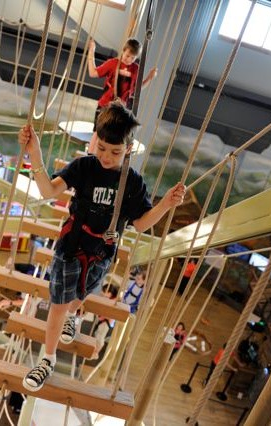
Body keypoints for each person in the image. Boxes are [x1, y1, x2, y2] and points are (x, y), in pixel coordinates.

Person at [18, 101, 186, 391]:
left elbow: (142, 223)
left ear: (129, 149)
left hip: (102, 252)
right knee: (58, 303)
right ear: (95, 141)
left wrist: (166, 204)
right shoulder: (85, 166)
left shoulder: (132, 182)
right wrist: (35, 153)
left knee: (80, 293)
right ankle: (47, 358)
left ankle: (74, 314)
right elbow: (48, 191)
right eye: (102, 149)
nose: (106, 158)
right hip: (70, 245)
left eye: (116, 152)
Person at [86, 38, 158, 153]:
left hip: (120, 108)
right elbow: (93, 72)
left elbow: (136, 90)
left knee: (112, 136)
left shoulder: (136, 69)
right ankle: (90, 156)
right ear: (123, 51)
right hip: (105, 105)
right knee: (97, 132)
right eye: (127, 55)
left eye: (132, 58)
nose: (129, 59)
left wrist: (149, 78)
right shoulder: (113, 63)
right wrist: (91, 52)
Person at [93, 283, 119, 359]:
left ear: (111, 293)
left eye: (106, 292)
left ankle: (96, 352)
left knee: (100, 337)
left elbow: (109, 313)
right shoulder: (107, 299)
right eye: (103, 292)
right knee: (97, 334)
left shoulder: (113, 302)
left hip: (106, 321)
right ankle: (95, 350)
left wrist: (102, 317)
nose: (104, 294)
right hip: (103, 319)